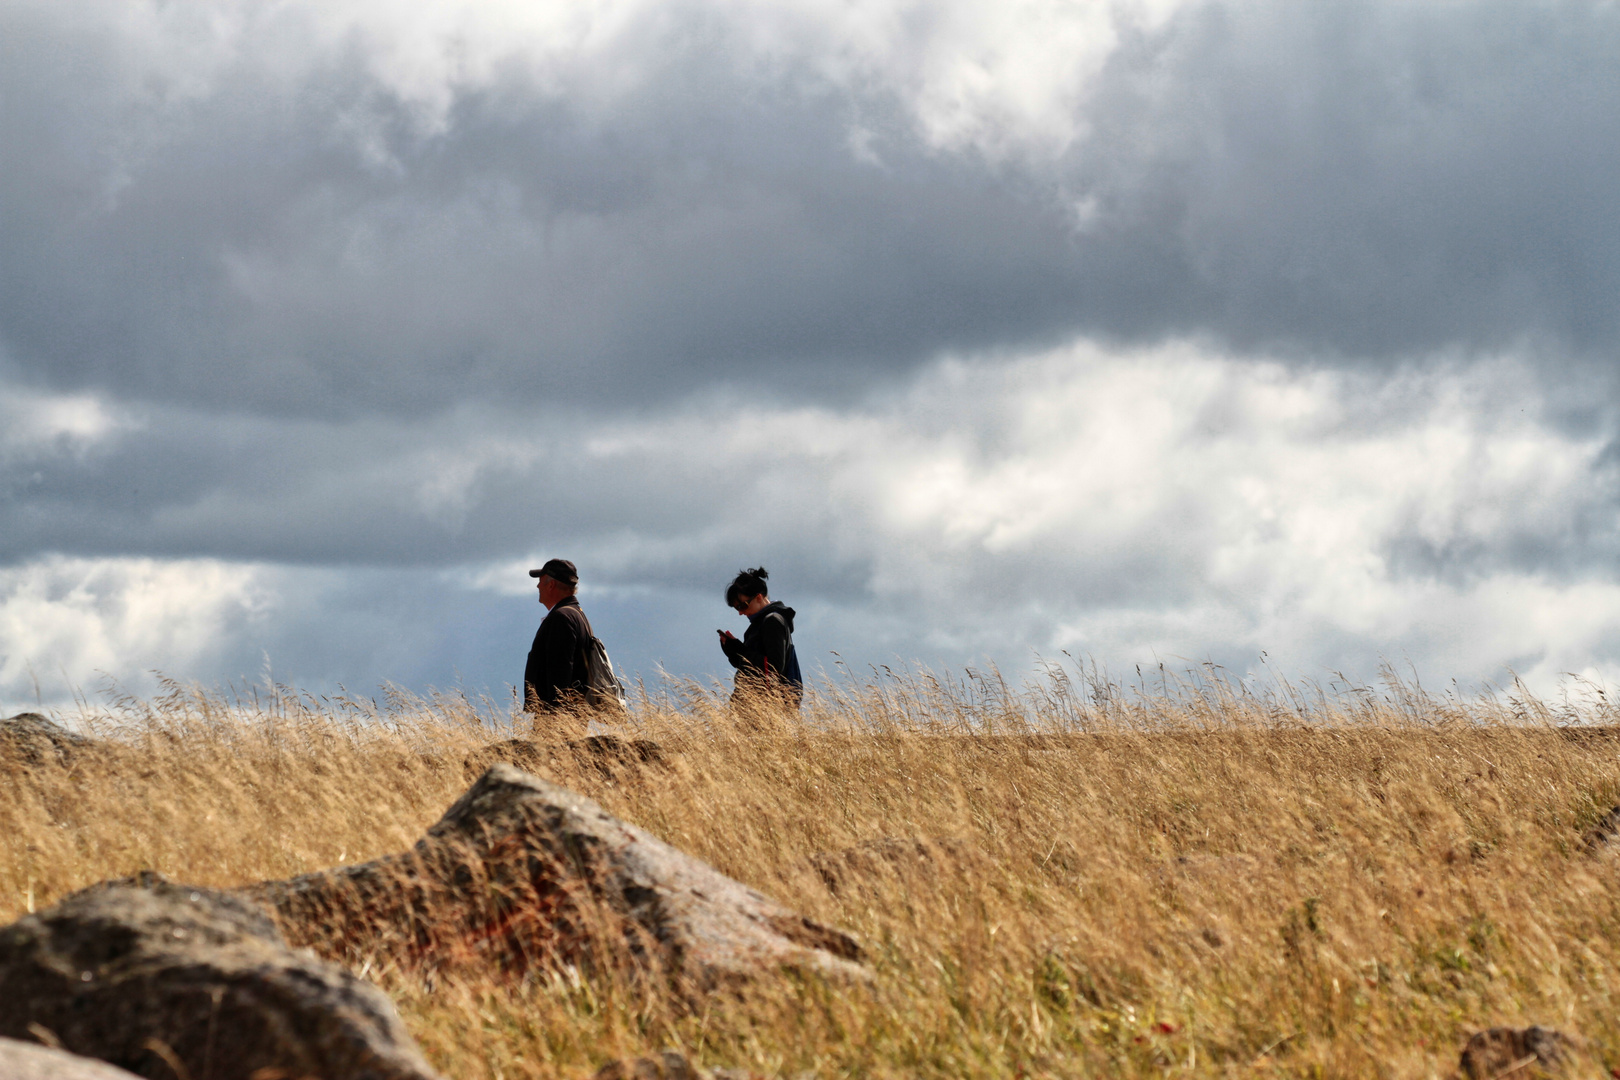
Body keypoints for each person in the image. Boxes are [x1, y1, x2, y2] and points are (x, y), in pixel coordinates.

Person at [718, 566, 803, 708]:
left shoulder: (772, 621)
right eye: (736, 608)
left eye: (742, 606)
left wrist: (740, 651)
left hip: (768, 708)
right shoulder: (760, 624)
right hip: (757, 707)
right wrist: (732, 653)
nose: (740, 612)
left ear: (759, 597)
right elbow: (754, 668)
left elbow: (773, 669)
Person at [522, 558, 593, 715]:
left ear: (551, 585)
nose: (537, 586)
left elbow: (560, 671)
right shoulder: (576, 614)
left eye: (540, 581)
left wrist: (554, 715)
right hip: (570, 715)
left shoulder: (562, 617)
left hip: (557, 717)